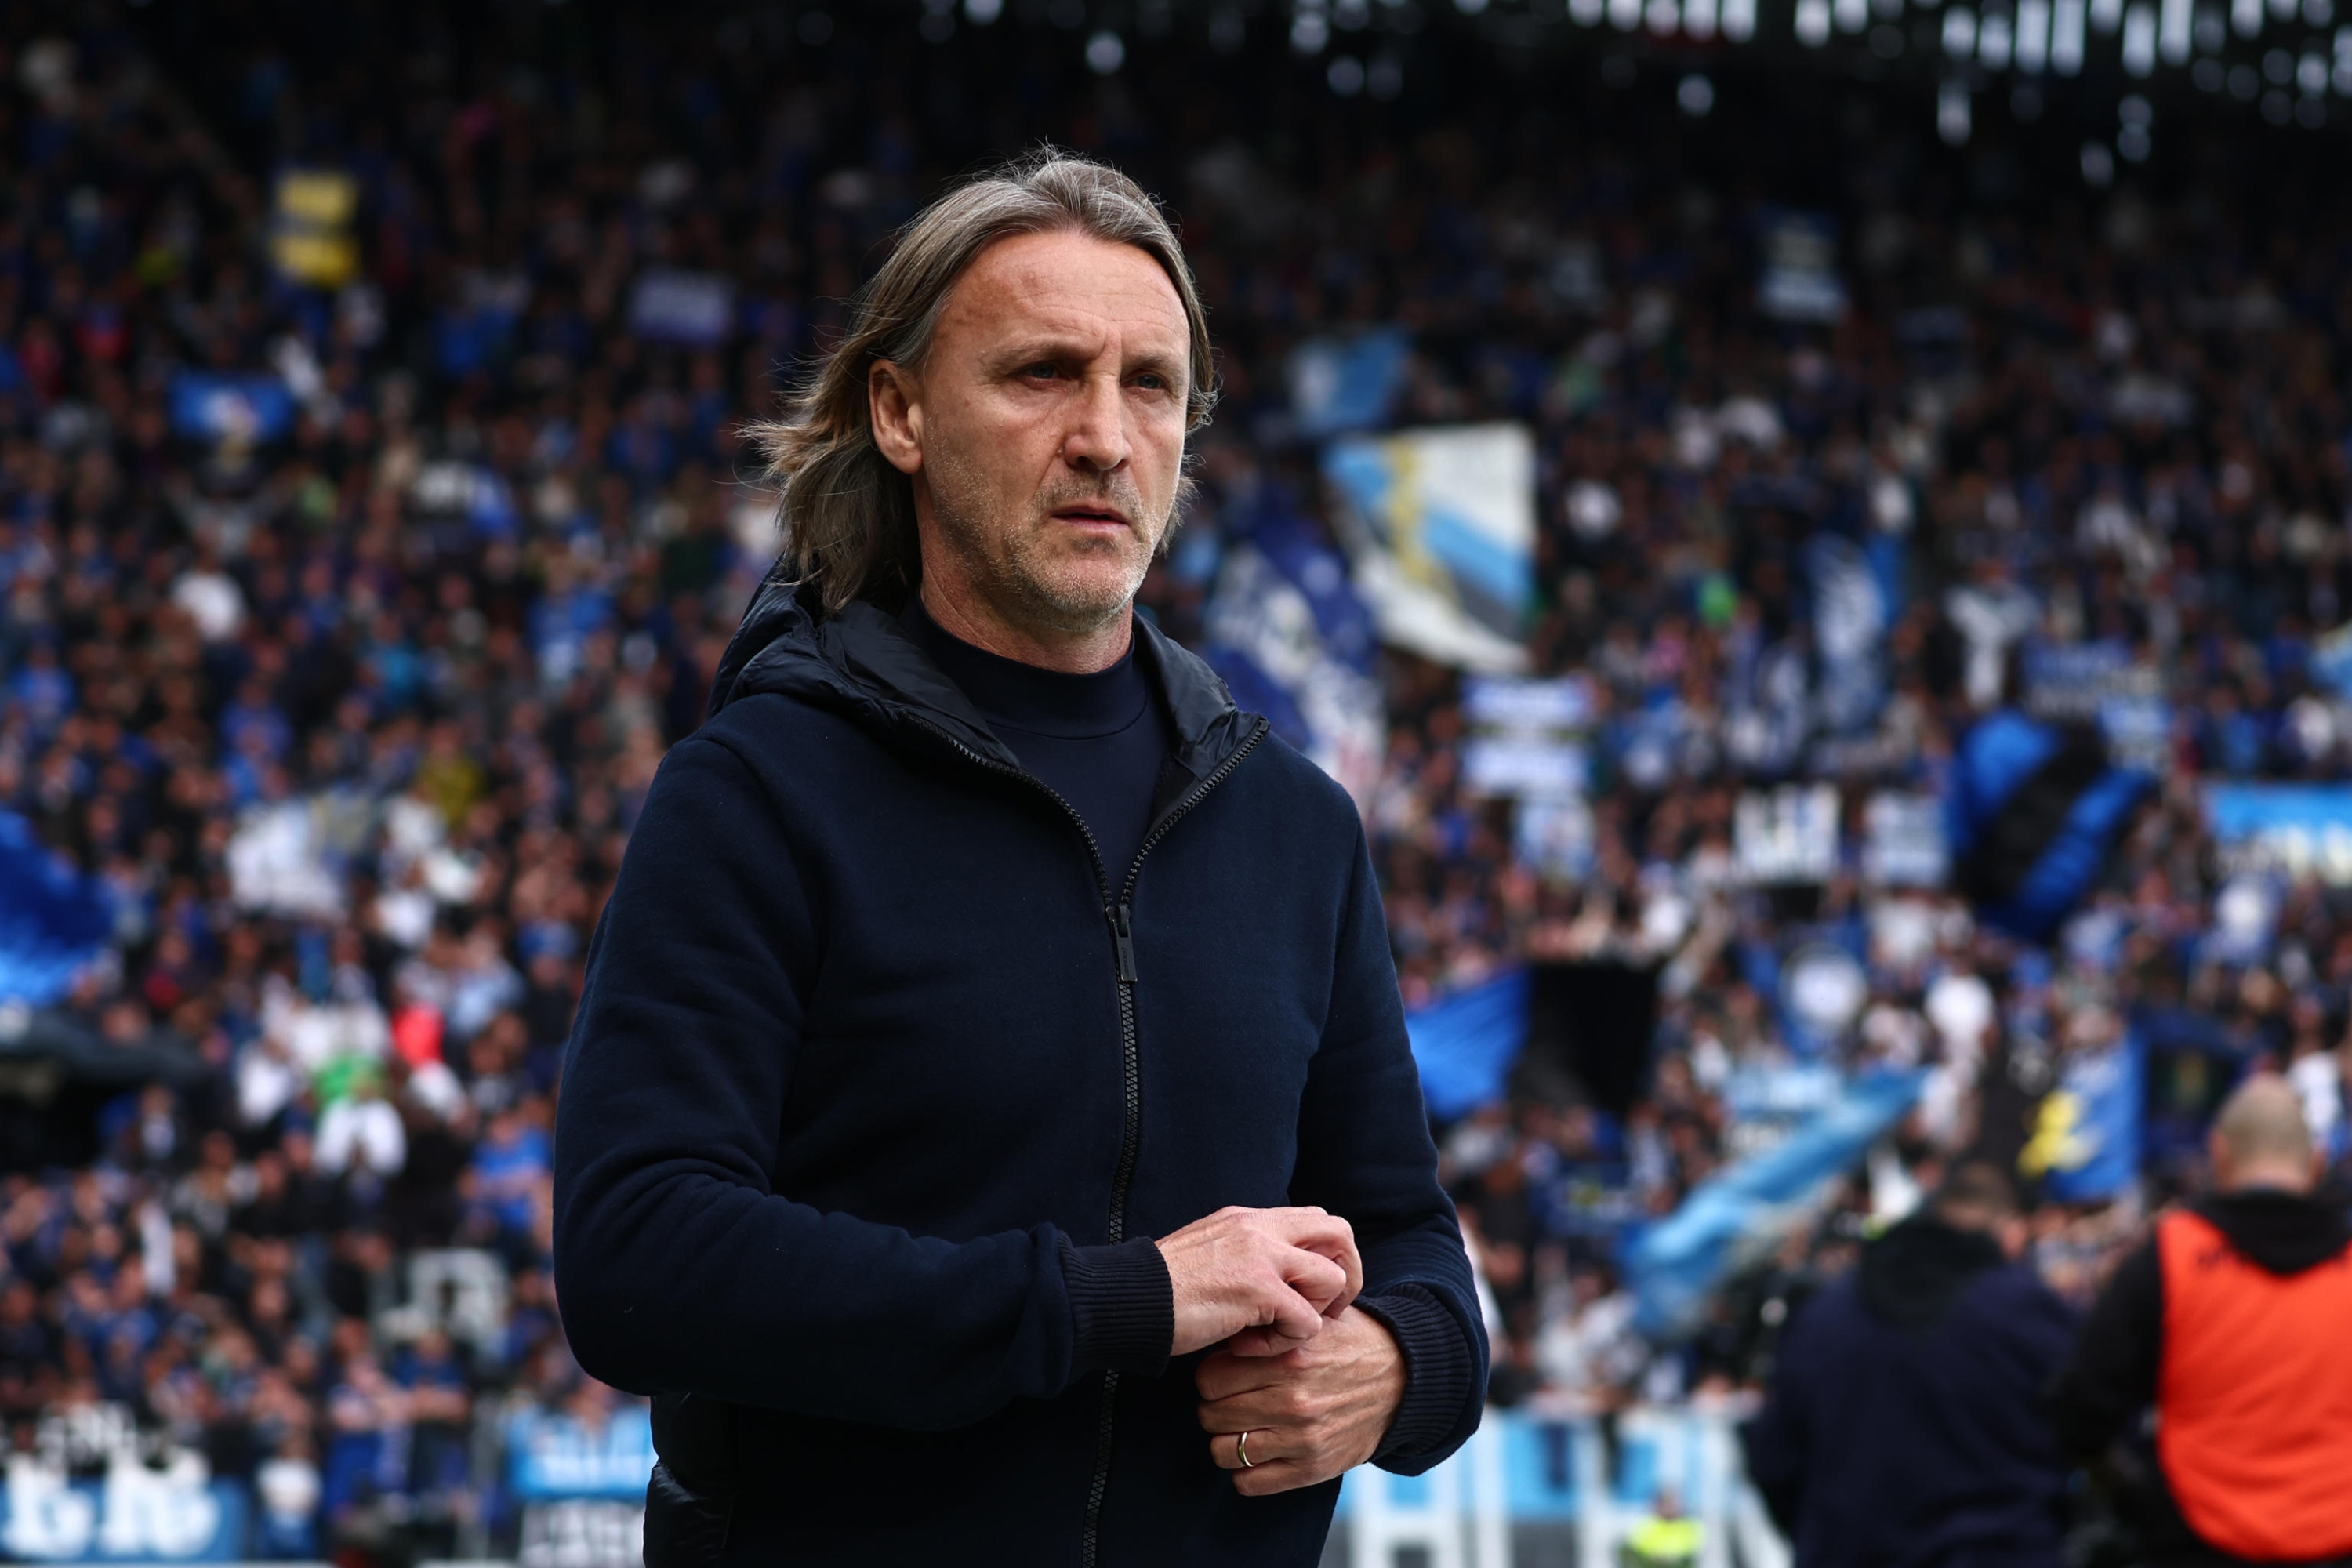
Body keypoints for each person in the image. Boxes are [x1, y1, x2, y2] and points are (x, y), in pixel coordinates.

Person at [551, 152, 1485, 1566]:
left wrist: (1401, 1370)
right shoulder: (758, 790)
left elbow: (1415, 1247)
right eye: (1044, 373)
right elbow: (639, 1260)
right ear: (901, 412)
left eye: (1151, 385)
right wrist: (1121, 1303)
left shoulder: (1292, 822)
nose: (1107, 437)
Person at [2049, 1074, 2352, 1567]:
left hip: (2194, 1539)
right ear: (2316, 1164)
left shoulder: (2171, 1255)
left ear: (2219, 1155)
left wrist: (2141, 1502)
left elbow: (2080, 1413)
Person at [1740, 1162, 2078, 1567]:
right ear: (2011, 1235)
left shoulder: (1826, 1315)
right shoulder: (2028, 1313)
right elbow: (2093, 1430)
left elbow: (1774, 1460)